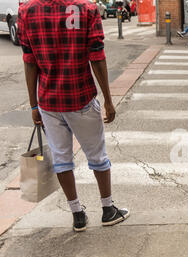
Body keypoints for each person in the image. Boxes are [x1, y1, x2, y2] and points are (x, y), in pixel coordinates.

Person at [18, 0, 130, 232]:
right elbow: (96, 56)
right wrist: (108, 100)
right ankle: (107, 209)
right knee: (97, 156)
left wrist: (33, 106)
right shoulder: (87, 9)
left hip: (48, 102)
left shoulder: (26, 11)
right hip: (81, 98)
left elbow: (29, 62)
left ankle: (77, 214)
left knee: (61, 159)